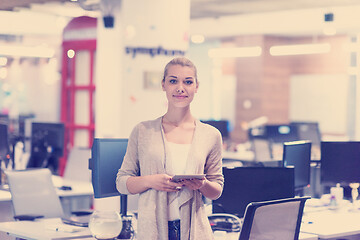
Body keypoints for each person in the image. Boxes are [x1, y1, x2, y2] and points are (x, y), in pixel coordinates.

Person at [116, 57, 224, 240]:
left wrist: (202, 184)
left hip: (195, 231)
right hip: (154, 229)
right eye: (173, 81)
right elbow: (121, 183)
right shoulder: (143, 131)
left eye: (188, 82)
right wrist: (151, 181)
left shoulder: (211, 135)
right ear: (163, 85)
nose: (180, 88)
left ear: (196, 86)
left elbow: (217, 189)